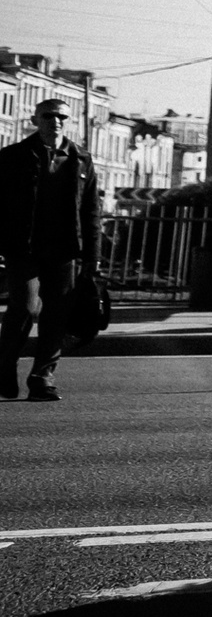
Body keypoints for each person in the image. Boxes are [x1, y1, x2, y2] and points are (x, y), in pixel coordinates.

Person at [0, 97, 100, 403]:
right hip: (22, 247)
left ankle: (42, 378)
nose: (55, 122)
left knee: (57, 315)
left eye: (62, 117)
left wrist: (93, 257)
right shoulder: (13, 156)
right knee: (25, 307)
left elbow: (91, 210)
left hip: (65, 249)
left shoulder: (81, 159)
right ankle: (4, 367)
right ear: (34, 120)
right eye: (48, 116)